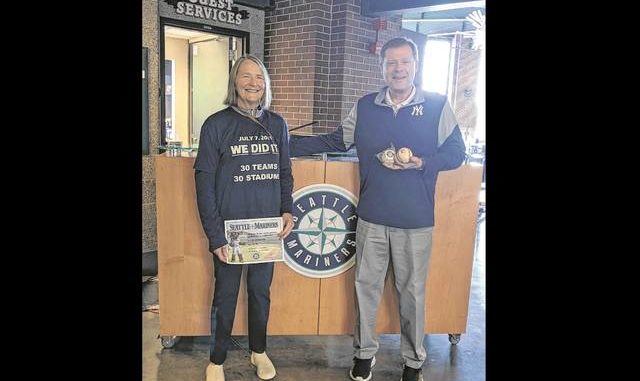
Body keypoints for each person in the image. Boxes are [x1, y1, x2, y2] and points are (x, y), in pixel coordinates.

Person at [289, 37, 466, 381]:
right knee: (365, 288)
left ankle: (413, 362)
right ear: (381, 67)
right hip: (371, 215)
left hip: (415, 219)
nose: (398, 69)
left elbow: (456, 153)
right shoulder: (366, 105)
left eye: (405, 62)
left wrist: (422, 164)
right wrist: (284, 137)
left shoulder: (437, 105)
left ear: (415, 66)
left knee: (412, 294)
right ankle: (363, 355)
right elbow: (337, 141)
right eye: (391, 63)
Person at [194, 54, 294, 381]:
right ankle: (217, 359)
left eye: (259, 77)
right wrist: (215, 236)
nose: (253, 83)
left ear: (266, 84)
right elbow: (204, 183)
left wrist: (287, 209)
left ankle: (259, 351)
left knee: (260, 294)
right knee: (224, 296)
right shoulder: (216, 124)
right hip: (231, 232)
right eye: (246, 76)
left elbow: (284, 173)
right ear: (234, 82)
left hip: (266, 229)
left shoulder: (277, 124)